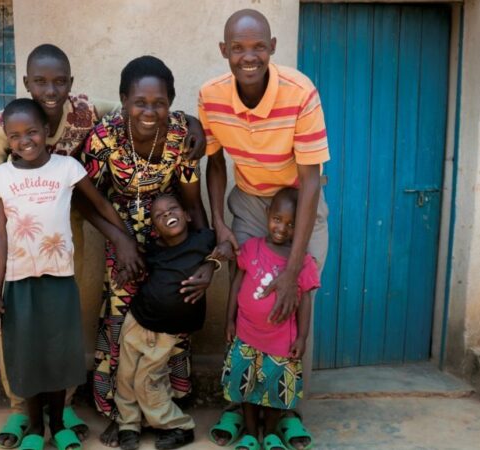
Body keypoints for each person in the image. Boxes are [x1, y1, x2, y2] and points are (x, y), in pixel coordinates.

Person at [0, 44, 206, 447]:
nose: (51, 89)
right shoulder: (19, 128)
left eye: (59, 81)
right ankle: (89, 414)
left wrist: (193, 120)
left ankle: (156, 411)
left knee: (153, 323)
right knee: (93, 324)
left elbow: (189, 197)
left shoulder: (156, 129)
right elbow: (3, 209)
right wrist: (121, 239)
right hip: (88, 238)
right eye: (41, 81)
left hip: (136, 237)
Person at [199, 9, 330, 449]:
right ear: (224, 51)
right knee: (248, 292)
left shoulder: (300, 92)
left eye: (258, 47)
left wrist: (293, 270)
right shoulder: (211, 96)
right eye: (238, 48)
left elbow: (311, 180)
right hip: (252, 201)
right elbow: (214, 162)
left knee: (296, 298)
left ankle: (286, 410)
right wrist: (220, 222)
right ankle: (240, 404)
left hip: (297, 202)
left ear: (273, 47)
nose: (248, 56)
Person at [81, 55, 226, 447]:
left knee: (172, 315)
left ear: (171, 101)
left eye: (159, 103)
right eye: (140, 102)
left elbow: (193, 204)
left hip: (172, 234)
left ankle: (169, 406)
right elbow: (85, 200)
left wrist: (203, 259)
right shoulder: (103, 139)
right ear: (124, 100)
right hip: (122, 235)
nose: (149, 111)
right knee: (119, 322)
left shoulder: (182, 136)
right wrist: (121, 240)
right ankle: (119, 414)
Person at [0, 98, 134, 450]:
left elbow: (98, 204)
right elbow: (0, 234)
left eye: (32, 132)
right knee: (28, 355)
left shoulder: (67, 168)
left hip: (60, 280)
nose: (25, 141)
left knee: (58, 353)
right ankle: (34, 428)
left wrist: (124, 235)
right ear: (7, 138)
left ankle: (59, 422)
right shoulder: (2, 175)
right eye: (15, 135)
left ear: (47, 132)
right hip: (19, 284)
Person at [114, 195, 232, 450]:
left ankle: (177, 426)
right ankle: (128, 425)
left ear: (188, 215)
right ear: (155, 230)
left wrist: (215, 261)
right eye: (158, 215)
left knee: (148, 380)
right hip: (137, 319)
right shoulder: (156, 249)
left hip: (166, 331)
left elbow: (227, 249)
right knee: (125, 375)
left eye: (173, 208)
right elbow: (143, 264)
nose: (167, 214)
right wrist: (126, 272)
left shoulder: (203, 240)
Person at [221, 188, 320, 450]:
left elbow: (306, 300)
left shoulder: (303, 263)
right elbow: (236, 284)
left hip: (281, 344)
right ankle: (252, 435)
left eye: (291, 224)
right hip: (246, 336)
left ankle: (273, 434)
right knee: (246, 388)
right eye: (277, 219)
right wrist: (229, 320)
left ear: (301, 226)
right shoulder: (251, 248)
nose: (281, 228)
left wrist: (301, 337)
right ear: (267, 215)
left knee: (276, 392)